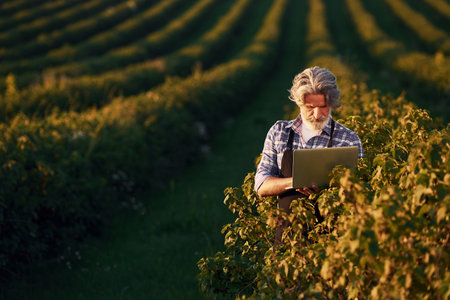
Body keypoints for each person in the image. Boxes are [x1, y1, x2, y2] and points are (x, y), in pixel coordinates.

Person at [254, 67, 363, 244]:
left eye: (323, 107)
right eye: (310, 107)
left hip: (332, 243)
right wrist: (294, 181)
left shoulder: (348, 139)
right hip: (286, 243)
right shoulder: (279, 132)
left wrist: (329, 190)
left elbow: (359, 195)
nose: (317, 114)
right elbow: (261, 185)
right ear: (299, 102)